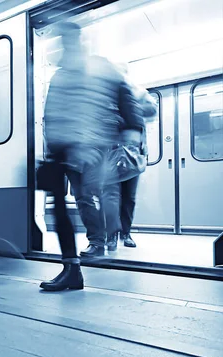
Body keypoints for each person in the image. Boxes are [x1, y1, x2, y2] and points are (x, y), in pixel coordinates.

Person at [39, 22, 144, 291]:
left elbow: (125, 96)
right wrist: (52, 150)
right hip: (65, 150)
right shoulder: (59, 75)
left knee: (97, 193)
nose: (66, 44)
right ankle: (73, 265)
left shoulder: (100, 66)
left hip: (95, 146)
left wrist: (132, 128)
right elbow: (51, 114)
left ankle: (103, 240)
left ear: (79, 39)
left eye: (68, 39)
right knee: (75, 200)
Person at [105, 78, 158, 251]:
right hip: (111, 152)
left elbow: (151, 110)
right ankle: (111, 235)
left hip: (133, 153)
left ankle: (125, 233)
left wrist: (131, 107)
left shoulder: (139, 93)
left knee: (129, 197)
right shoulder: (106, 97)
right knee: (112, 197)